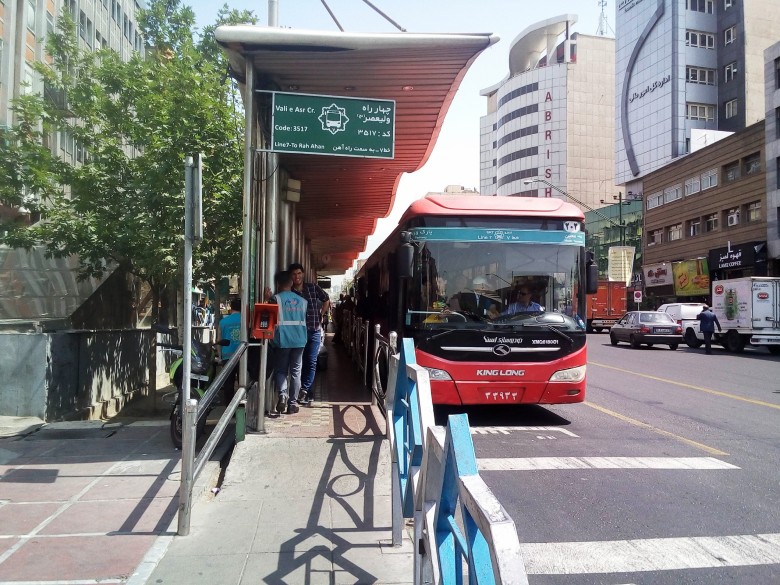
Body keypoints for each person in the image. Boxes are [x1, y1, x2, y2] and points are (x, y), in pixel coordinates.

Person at [288, 262, 331, 406]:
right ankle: (303, 393)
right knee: (298, 363)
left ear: (303, 274)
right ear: (291, 276)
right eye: (294, 274)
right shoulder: (290, 293)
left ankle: (305, 391)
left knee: (311, 362)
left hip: (314, 330)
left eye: (299, 273)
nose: (297, 276)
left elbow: (326, 299)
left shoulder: (313, 287)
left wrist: (321, 313)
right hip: (298, 333)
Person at [269, 270, 308, 414]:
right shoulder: (303, 301)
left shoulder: (275, 299)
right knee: (296, 372)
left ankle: (282, 395)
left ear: (278, 284)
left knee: (281, 370)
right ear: (291, 282)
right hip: (299, 340)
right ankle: (292, 404)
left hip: (282, 340)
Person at [218, 298, 242, 402]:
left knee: (228, 383)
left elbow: (219, 340)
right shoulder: (245, 320)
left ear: (230, 308)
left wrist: (219, 356)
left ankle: (228, 407)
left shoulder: (223, 322)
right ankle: (241, 404)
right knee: (243, 382)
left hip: (227, 356)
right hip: (242, 355)